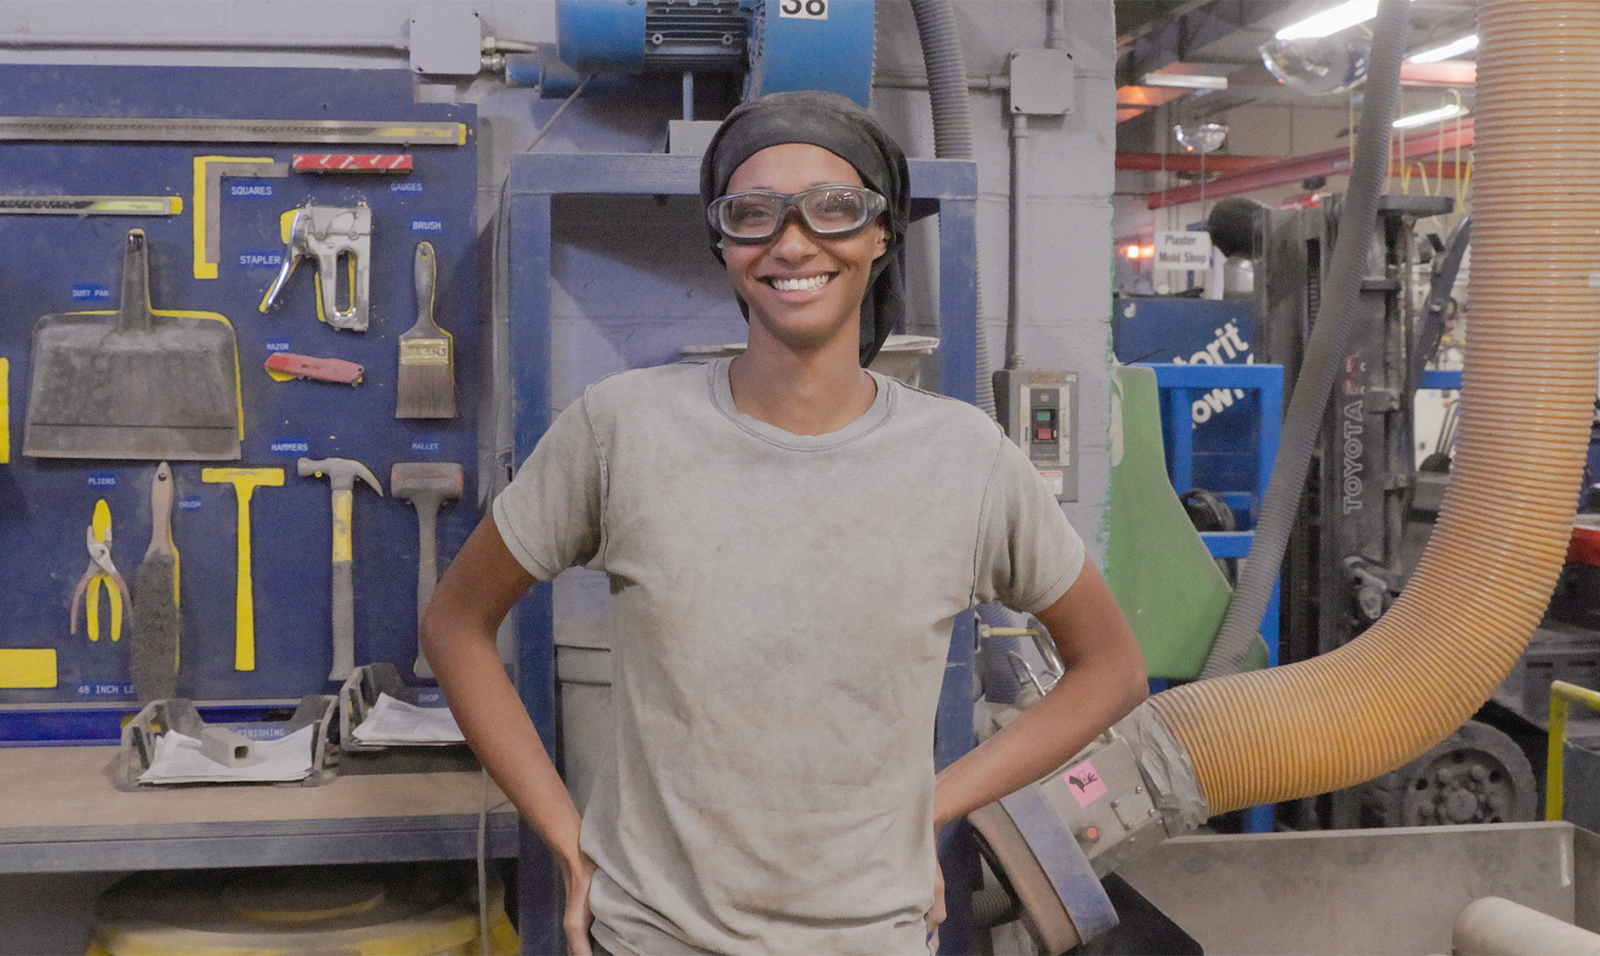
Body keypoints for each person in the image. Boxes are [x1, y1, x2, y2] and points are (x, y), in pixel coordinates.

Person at [421, 90, 1147, 956]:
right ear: (722, 240)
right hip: (654, 937)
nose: (793, 242)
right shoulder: (620, 429)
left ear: (881, 236)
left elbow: (1110, 669)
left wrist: (937, 805)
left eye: (835, 210)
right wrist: (567, 842)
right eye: (753, 213)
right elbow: (456, 626)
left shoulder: (966, 458)